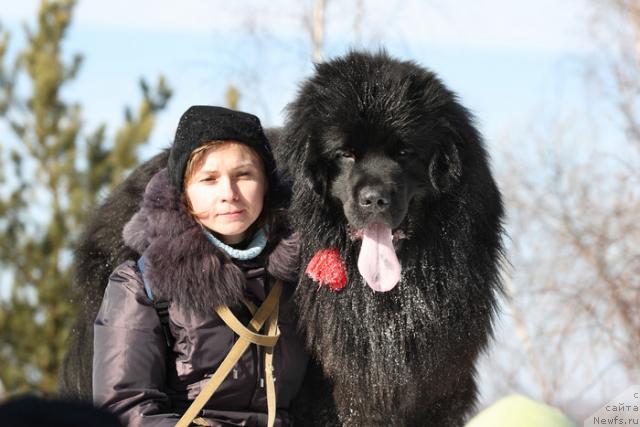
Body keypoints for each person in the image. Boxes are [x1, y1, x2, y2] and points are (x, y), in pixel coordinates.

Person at [92, 106, 308, 427]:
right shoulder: (141, 283)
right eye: (208, 179)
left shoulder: (301, 273)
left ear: (266, 183)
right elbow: (124, 406)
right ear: (184, 193)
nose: (229, 194)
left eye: (244, 175)